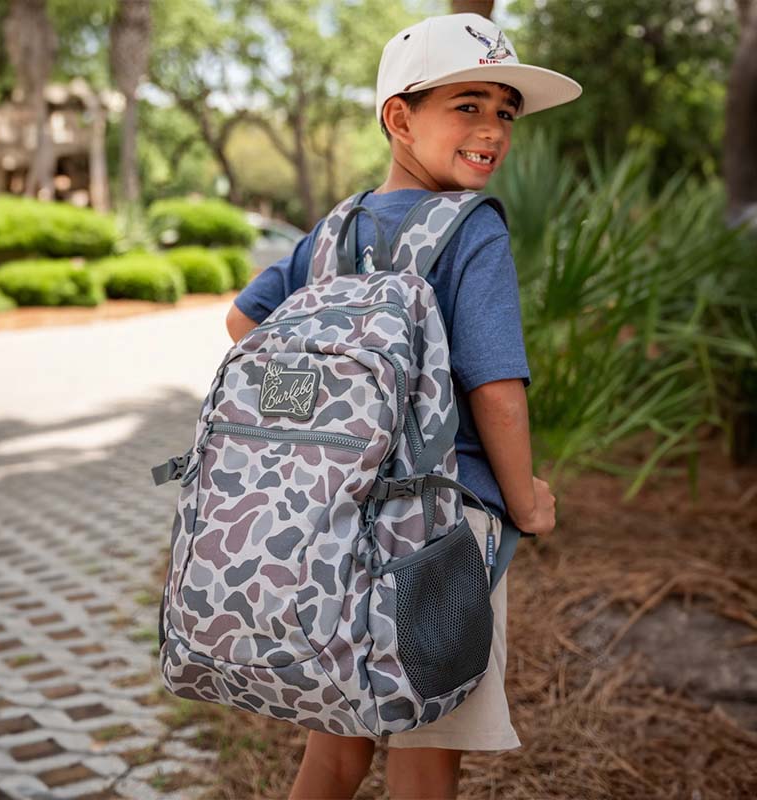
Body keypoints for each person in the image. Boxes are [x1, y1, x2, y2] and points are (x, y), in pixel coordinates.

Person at [226, 12, 581, 800]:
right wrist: (527, 502)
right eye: (468, 105)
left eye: (506, 112)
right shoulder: (471, 230)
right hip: (440, 537)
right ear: (399, 117)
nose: (493, 129)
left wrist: (319, 419)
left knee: (335, 751)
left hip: (333, 523)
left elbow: (245, 325)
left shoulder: (333, 231)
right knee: (426, 753)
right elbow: (496, 388)